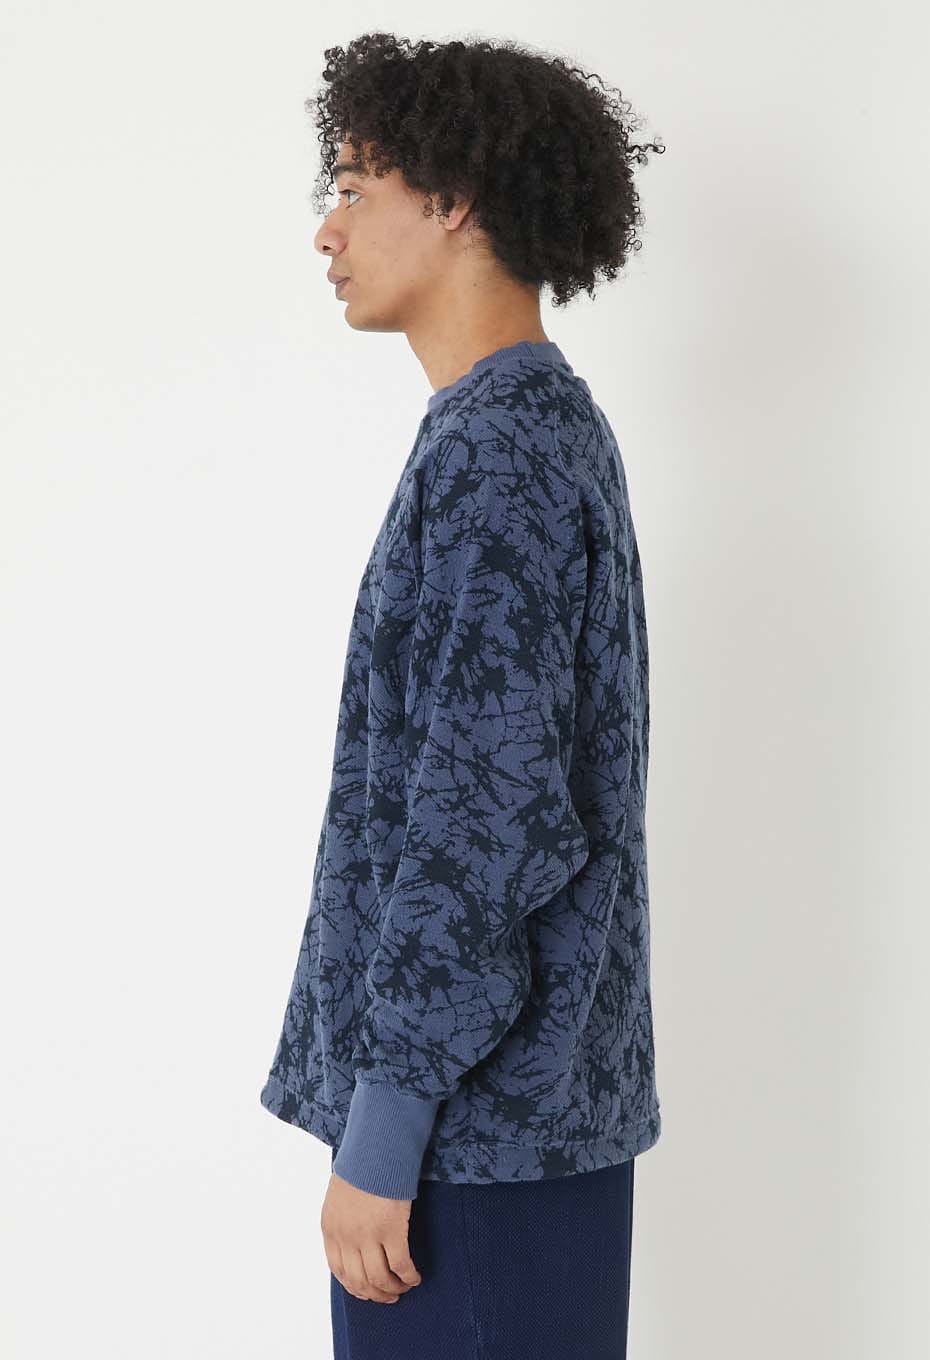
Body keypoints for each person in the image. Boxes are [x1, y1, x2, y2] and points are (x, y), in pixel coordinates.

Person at [259, 31, 665, 1360]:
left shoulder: (500, 455)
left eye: (353, 187)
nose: (327, 231)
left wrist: (383, 1132)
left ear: (454, 199)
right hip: (511, 1130)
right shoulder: (528, 433)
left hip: (468, 1149)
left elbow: (483, 823)